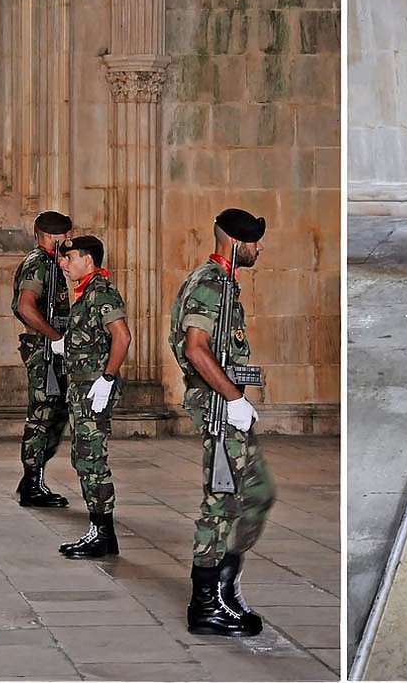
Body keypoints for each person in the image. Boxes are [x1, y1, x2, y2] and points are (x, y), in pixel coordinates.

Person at [169, 208, 276, 637]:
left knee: (259, 492)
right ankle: (206, 604)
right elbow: (196, 348)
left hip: (225, 405)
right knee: (222, 502)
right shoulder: (211, 285)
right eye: (253, 242)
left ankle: (226, 583)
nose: (259, 249)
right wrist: (232, 398)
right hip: (218, 407)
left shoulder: (225, 284)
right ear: (236, 243)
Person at [56, 235, 131, 559]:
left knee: (92, 460)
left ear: (88, 259)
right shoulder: (87, 292)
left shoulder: (101, 291)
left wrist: (107, 378)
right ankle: (99, 530)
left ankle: (103, 534)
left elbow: (122, 336)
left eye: (69, 257)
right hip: (82, 388)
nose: (64, 263)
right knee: (84, 457)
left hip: (93, 389)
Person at [11, 211, 72, 509]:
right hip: (42, 348)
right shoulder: (38, 263)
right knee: (41, 415)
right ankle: (32, 484)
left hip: (50, 345)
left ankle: (32, 477)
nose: (68, 242)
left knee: (56, 413)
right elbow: (25, 307)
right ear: (50, 236)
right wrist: (55, 337)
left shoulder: (52, 263)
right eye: (64, 237)